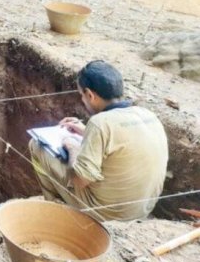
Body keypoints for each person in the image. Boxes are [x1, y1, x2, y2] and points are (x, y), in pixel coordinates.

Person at [29, 60, 168, 221]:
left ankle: (54, 211)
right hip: (140, 209)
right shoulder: (147, 114)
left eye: (81, 95)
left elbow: (80, 180)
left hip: (107, 213)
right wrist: (85, 131)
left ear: (90, 95)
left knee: (36, 145)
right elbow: (120, 142)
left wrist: (73, 148)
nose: (82, 99)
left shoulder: (100, 123)